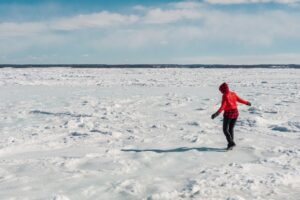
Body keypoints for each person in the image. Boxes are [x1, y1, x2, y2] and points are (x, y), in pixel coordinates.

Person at [211, 82, 251, 150]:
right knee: (230, 129)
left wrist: (217, 113)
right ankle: (230, 144)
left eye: (221, 91)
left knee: (225, 130)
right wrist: (247, 102)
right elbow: (239, 99)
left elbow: (223, 106)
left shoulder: (225, 95)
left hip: (228, 113)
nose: (221, 92)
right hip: (235, 112)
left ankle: (231, 143)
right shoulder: (233, 93)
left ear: (223, 90)